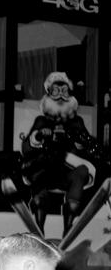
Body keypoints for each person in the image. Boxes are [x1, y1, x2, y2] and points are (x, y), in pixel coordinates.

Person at [21, 71, 100, 235]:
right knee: (38, 174)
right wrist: (39, 136)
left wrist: (82, 145)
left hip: (67, 173)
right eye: (56, 91)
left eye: (64, 91)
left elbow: (87, 146)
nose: (61, 96)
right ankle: (39, 227)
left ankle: (69, 227)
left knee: (81, 172)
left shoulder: (76, 123)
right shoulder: (41, 121)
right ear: (49, 94)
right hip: (46, 170)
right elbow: (27, 148)